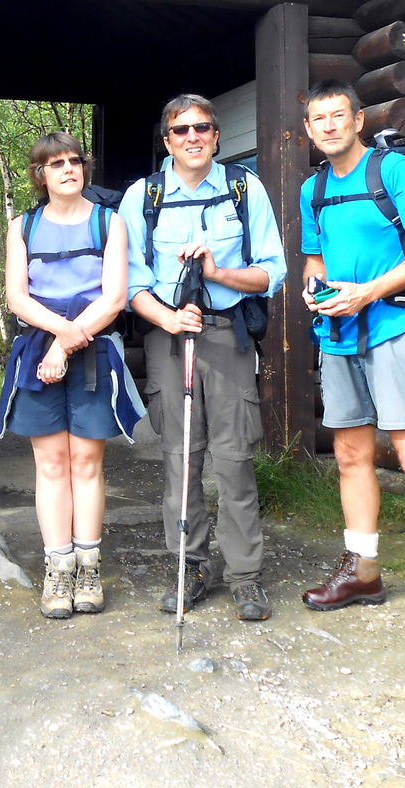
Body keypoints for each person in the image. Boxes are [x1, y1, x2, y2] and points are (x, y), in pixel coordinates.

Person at [298, 80, 405, 643]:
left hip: (396, 325)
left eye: (338, 115)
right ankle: (363, 571)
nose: (328, 126)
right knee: (349, 453)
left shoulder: (393, 173)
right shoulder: (312, 190)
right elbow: (314, 263)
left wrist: (367, 293)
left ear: (358, 120)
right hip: (339, 332)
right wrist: (313, 290)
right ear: (308, 129)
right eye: (318, 119)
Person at [118, 94, 287, 621]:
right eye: (181, 129)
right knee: (181, 461)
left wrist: (217, 274)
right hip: (170, 339)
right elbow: (128, 281)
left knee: (235, 463)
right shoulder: (141, 197)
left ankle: (245, 576)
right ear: (167, 141)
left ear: (216, 136)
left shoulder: (244, 188)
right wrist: (165, 318)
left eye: (203, 128)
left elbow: (271, 271)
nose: (193, 136)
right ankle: (188, 566)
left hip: (226, 337)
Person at [0, 133, 143, 618]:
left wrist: (65, 343)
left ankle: (88, 566)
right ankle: (57, 569)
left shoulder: (110, 221)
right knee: (51, 464)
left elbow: (115, 297)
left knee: (85, 461)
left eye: (75, 161)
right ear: (40, 174)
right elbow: (17, 297)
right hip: (39, 344)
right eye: (55, 163)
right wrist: (58, 336)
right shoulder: (22, 226)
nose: (68, 169)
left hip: (92, 346)